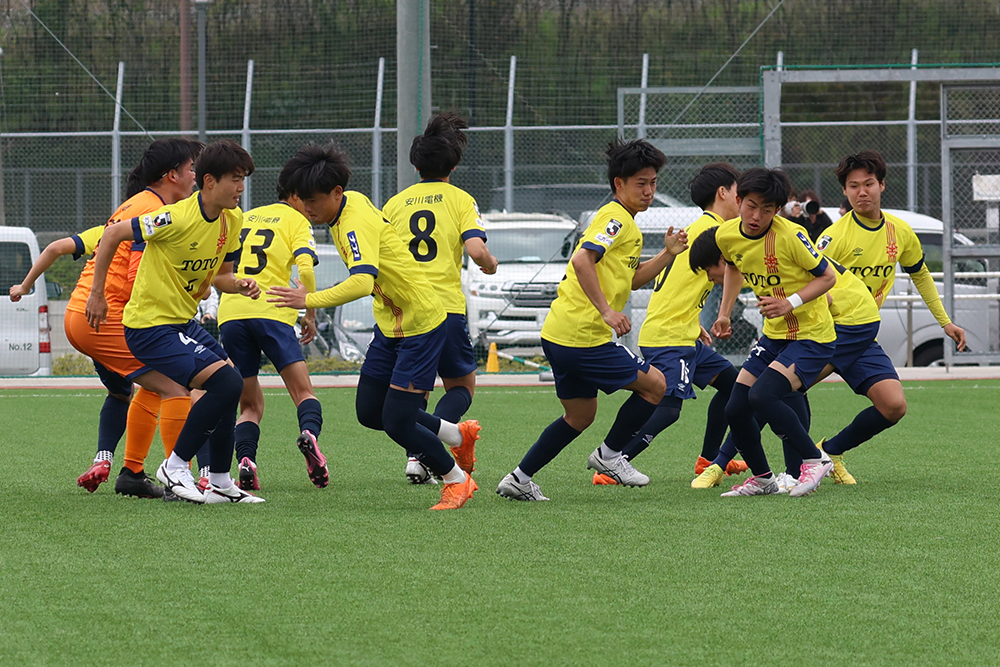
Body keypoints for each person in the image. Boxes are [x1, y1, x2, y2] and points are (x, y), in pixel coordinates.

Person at [267, 143, 479, 511]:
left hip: (420, 323)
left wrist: (309, 300)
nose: (308, 208)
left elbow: (362, 282)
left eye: (313, 200)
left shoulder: (354, 221)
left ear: (337, 192)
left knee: (398, 422)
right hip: (391, 323)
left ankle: (456, 480)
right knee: (369, 412)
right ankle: (456, 434)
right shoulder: (347, 205)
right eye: (302, 200)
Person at [10, 138, 205, 498]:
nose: (195, 175)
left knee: (144, 388)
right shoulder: (152, 210)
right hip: (104, 316)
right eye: (191, 168)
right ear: (172, 175)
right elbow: (135, 277)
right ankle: (180, 479)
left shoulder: (138, 203)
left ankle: (131, 473)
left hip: (87, 313)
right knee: (179, 385)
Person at [495, 138, 686, 502]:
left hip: (560, 334)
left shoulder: (623, 222)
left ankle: (519, 478)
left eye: (653, 182)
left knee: (579, 416)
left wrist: (667, 253)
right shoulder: (615, 219)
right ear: (619, 184)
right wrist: (606, 311)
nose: (649, 191)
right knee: (656, 386)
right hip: (583, 337)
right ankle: (610, 455)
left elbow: (631, 279)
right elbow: (582, 259)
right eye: (641, 183)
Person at [87, 139, 264, 504]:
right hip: (148, 327)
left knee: (232, 386)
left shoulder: (233, 219)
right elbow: (113, 233)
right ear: (209, 181)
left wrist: (240, 284)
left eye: (243, 179)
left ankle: (220, 481)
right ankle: (175, 466)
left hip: (181, 323)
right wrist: (97, 294)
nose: (241, 188)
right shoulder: (175, 216)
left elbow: (222, 277)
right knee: (226, 382)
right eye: (234, 179)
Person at [813, 149, 967, 478]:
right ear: (844, 191)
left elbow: (921, 275)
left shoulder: (900, 232)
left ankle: (829, 452)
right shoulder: (833, 236)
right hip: (824, 333)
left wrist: (945, 322)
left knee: (894, 406)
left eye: (868, 184)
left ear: (882, 185)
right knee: (777, 393)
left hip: (861, 336)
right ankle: (728, 462)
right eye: (853, 186)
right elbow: (806, 279)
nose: (862, 192)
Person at [592, 163, 748, 485]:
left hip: (683, 333)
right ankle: (615, 463)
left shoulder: (702, 229)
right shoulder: (715, 233)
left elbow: (684, 282)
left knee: (733, 386)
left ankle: (708, 460)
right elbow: (731, 272)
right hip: (669, 337)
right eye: (739, 193)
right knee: (669, 409)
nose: (742, 200)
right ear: (722, 193)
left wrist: (694, 319)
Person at [701, 167, 836, 498]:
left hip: (811, 335)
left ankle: (815, 459)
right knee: (735, 408)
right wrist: (724, 314)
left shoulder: (791, 236)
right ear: (738, 200)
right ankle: (763, 479)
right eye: (751, 206)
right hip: (775, 336)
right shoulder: (726, 234)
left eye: (767, 209)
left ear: (777, 210)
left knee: (762, 395)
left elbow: (828, 277)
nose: (756, 216)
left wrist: (790, 302)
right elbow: (733, 266)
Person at [381, 112, 497, 485]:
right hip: (443, 308)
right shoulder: (461, 199)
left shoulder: (395, 204)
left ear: (415, 165)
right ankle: (425, 453)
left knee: (409, 392)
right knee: (461, 386)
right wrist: (490, 263)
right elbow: (476, 250)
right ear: (454, 165)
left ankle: (416, 455)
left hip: (403, 311)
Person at [218, 160, 328, 491]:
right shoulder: (296, 221)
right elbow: (306, 269)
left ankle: (246, 461)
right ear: (294, 195)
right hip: (273, 312)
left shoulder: (246, 216)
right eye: (307, 198)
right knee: (303, 392)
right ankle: (309, 434)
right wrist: (309, 312)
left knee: (250, 405)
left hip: (232, 313)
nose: (310, 206)